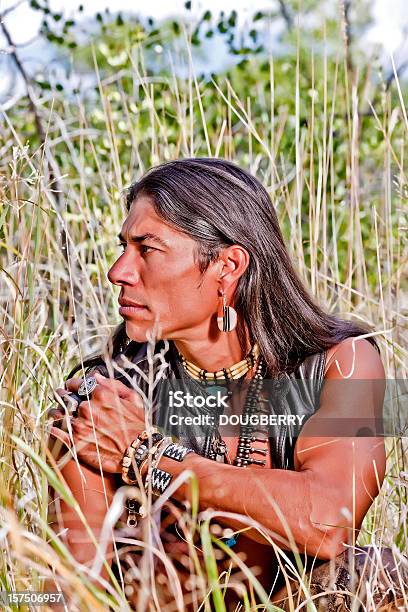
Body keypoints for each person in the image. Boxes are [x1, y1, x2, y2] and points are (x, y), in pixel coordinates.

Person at [48, 158, 401, 610]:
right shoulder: (107, 395)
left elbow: (329, 521)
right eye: (124, 247)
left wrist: (146, 456)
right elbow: (73, 591)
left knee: (380, 573)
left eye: (147, 249)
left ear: (227, 266)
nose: (119, 271)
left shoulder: (342, 363)